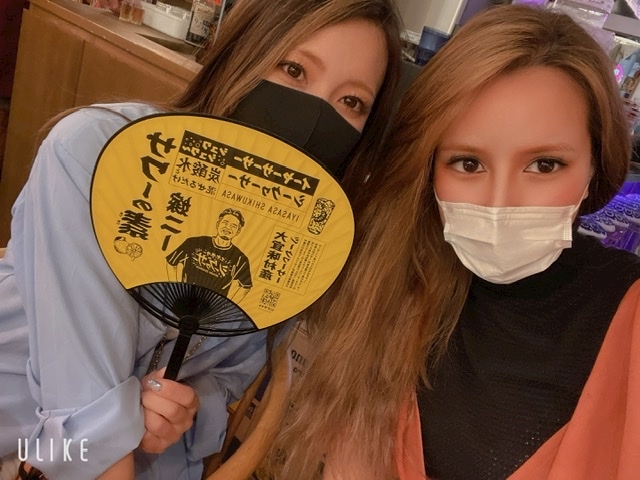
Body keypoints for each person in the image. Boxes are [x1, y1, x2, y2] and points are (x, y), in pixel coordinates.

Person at [0, 0, 402, 478]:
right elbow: (83, 411)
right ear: (241, 57)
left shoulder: (297, 242)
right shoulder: (97, 153)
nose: (315, 115)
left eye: (351, 102)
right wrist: (119, 426)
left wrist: (182, 407)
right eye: (294, 70)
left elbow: (229, 377)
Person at [266, 4, 640, 480]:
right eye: (468, 163)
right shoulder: (393, 290)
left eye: (544, 165)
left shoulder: (629, 314)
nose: (500, 203)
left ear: (594, 164)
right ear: (430, 171)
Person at [166, 208, 253, 303]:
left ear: (238, 231)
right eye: (225, 223)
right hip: (185, 298)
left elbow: (246, 286)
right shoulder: (194, 242)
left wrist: (227, 306)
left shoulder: (240, 258)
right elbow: (171, 262)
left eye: (233, 226)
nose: (228, 228)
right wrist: (176, 289)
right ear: (218, 224)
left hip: (211, 306)